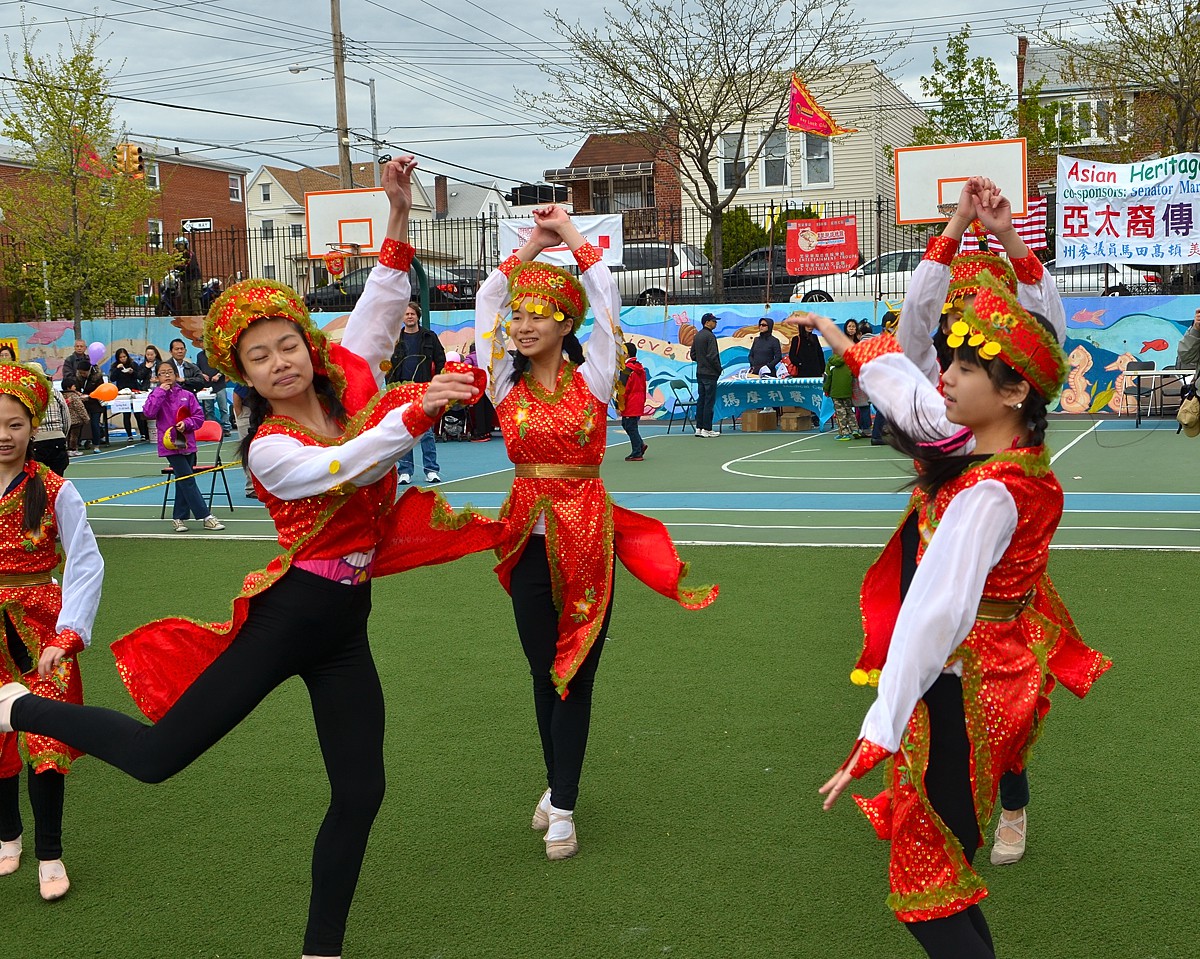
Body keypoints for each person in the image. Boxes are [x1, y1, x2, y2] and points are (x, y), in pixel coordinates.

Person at [0, 156, 499, 959]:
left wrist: (400, 216)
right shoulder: (270, 447)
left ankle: (320, 950)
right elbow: (347, 465)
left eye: (287, 343)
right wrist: (417, 412)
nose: (279, 361)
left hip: (344, 625)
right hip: (290, 616)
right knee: (158, 757)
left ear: (307, 342)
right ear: (244, 374)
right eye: (258, 356)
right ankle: (19, 707)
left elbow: (378, 308)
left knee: (361, 791)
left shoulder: (349, 384)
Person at [807, 276, 1109, 959]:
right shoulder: (1018, 465)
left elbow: (933, 615)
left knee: (927, 886)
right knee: (945, 876)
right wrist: (852, 349)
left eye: (966, 368)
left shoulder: (987, 492)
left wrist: (878, 729)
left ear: (1014, 391)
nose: (944, 376)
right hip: (992, 679)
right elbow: (904, 391)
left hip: (962, 693)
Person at [474, 204, 717, 862]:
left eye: (538, 314)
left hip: (587, 539)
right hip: (526, 542)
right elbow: (488, 297)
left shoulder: (595, 379)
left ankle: (563, 803)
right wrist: (531, 244)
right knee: (541, 671)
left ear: (565, 323)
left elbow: (605, 296)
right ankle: (558, 786)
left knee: (575, 673)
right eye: (519, 316)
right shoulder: (503, 384)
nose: (523, 324)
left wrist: (573, 236)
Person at [894, 176, 1069, 864]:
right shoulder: (938, 393)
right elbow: (913, 320)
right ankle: (933, 800)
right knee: (926, 682)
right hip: (930, 548)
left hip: (999, 574)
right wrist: (954, 227)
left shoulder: (1006, 396)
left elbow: (1047, 328)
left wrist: (1005, 236)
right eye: (959, 308)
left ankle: (1011, 802)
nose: (965, 314)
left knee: (1003, 694)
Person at [0, 362, 104, 902]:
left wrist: (66, 636)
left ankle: (49, 853)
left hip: (41, 627)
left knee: (45, 738)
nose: (4, 435)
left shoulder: (55, 489)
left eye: (15, 424)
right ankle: (7, 835)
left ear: (33, 425)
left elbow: (85, 562)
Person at [142, 360, 226, 534]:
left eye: (170, 372)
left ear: (176, 375)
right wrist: (160, 392)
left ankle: (178, 517)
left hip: (188, 443)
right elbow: (149, 413)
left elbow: (198, 417)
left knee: (183, 480)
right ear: (157, 377)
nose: (167, 376)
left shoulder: (187, 395)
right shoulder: (156, 395)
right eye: (162, 373)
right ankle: (206, 517)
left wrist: (186, 424)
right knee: (187, 480)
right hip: (170, 445)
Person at [385, 301, 445, 484]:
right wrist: (392, 386)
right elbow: (388, 364)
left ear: (418, 316)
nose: (409, 316)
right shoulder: (396, 339)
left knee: (426, 432)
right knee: (404, 432)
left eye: (412, 314)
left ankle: (431, 470)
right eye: (406, 314)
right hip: (401, 391)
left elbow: (441, 360)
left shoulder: (429, 337)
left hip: (424, 389)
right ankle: (405, 471)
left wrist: (437, 382)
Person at [61, 340, 106, 450]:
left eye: (84, 373)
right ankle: (75, 445)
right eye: (77, 346)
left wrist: (90, 396)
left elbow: (101, 390)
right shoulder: (75, 370)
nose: (82, 374)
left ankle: (96, 444)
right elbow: (74, 385)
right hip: (83, 402)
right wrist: (78, 393)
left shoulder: (97, 376)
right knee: (79, 424)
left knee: (95, 423)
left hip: (95, 402)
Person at [824, 321, 860, 440]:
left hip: (835, 391)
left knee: (840, 412)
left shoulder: (831, 363)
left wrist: (826, 389)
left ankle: (844, 433)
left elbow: (827, 377)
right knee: (849, 410)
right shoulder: (849, 363)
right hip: (848, 390)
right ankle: (855, 429)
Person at [691, 312, 722, 436]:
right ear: (707, 322)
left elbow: (693, 355)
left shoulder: (697, 336)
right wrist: (718, 369)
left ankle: (699, 428)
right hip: (710, 374)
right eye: (713, 321)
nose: (715, 323)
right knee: (709, 401)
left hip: (700, 372)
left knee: (701, 401)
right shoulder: (710, 336)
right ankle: (707, 428)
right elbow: (713, 356)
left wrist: (701, 361)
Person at [31, 380, 71, 476]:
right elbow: (66, 419)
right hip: (57, 437)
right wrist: (61, 434)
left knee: (36, 479)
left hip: (36, 439)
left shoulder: (26, 393)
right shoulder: (55, 392)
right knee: (57, 477)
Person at [108, 348, 147, 442]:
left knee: (138, 413)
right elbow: (112, 378)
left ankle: (143, 433)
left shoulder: (133, 364)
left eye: (124, 356)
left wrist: (132, 372)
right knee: (126, 414)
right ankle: (129, 435)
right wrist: (117, 369)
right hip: (123, 392)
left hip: (134, 390)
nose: (123, 359)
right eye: (120, 357)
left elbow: (139, 376)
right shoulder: (115, 366)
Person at [618, 341, 648, 461]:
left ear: (626, 354)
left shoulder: (627, 369)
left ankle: (637, 452)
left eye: (622, 352)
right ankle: (640, 445)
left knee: (630, 427)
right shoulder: (639, 367)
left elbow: (623, 389)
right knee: (628, 425)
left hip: (630, 402)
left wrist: (619, 404)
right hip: (638, 400)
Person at [195, 347, 230, 434]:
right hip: (207, 386)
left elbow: (224, 367)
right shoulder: (200, 355)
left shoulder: (218, 353)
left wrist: (218, 375)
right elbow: (197, 368)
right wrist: (202, 375)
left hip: (220, 385)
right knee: (208, 409)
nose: (202, 345)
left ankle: (226, 428)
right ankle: (211, 429)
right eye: (201, 342)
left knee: (223, 408)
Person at [173, 237, 202, 316]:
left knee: (194, 296)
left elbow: (191, 266)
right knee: (184, 298)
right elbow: (176, 267)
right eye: (177, 245)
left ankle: (197, 314)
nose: (179, 247)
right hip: (184, 279)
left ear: (185, 245)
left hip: (194, 278)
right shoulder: (177, 256)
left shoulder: (190, 254)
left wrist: (181, 266)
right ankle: (185, 315)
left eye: (181, 244)